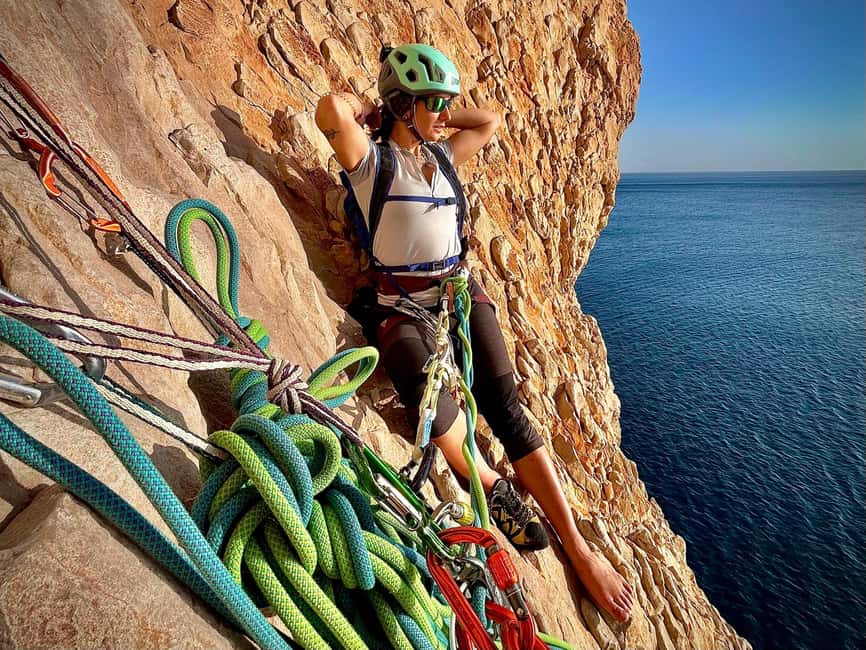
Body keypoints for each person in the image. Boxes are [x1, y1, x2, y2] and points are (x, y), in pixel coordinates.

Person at [315, 43, 633, 622]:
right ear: (402, 103)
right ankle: (487, 478)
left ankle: (581, 553)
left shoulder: (442, 157)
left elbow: (489, 121)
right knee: (428, 403)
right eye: (433, 102)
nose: (444, 113)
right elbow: (330, 110)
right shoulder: (374, 165)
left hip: (459, 294)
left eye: (445, 103)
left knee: (506, 408)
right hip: (404, 308)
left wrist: (432, 111)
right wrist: (374, 109)